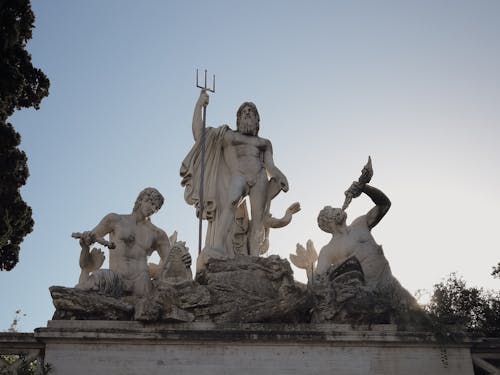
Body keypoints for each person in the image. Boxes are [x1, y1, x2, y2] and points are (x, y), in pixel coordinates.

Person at [181, 91, 289, 264]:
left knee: (258, 217)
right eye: (244, 112)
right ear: (238, 119)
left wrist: (279, 175)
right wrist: (199, 105)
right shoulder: (228, 136)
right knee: (230, 204)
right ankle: (216, 247)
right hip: (238, 175)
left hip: (259, 177)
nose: (247, 114)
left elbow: (270, 166)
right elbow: (199, 134)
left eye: (251, 112)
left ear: (257, 120)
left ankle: (254, 257)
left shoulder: (264, 143)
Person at [79, 187, 190, 297]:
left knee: (146, 306)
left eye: (156, 208)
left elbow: (170, 263)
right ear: (141, 200)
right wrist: (85, 244)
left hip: (141, 280)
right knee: (88, 286)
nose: (152, 208)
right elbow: (89, 240)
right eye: (150, 202)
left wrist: (183, 260)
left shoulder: (158, 234)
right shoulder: (114, 220)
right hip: (116, 277)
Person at [315, 182, 392, 291]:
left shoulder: (360, 223)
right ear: (328, 223)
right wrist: (308, 267)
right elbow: (318, 279)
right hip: (368, 297)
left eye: (334, 208)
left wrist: (364, 188)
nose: (337, 209)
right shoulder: (328, 250)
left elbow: (384, 204)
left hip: (389, 285)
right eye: (331, 211)